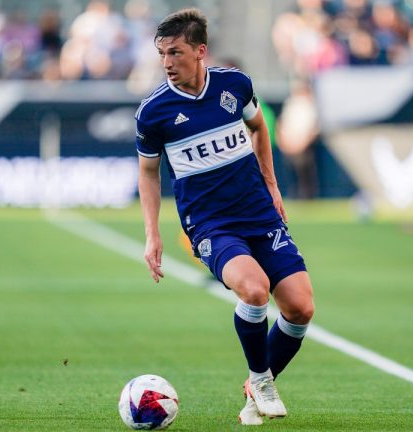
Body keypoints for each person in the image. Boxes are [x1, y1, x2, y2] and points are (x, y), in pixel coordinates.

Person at [135, 8, 315, 425]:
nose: (167, 63)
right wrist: (152, 234)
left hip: (258, 212)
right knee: (253, 290)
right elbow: (148, 173)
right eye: (162, 54)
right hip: (210, 224)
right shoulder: (154, 111)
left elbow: (259, 128)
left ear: (200, 51)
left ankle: (255, 389)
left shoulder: (235, 84)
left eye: (175, 52)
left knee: (300, 307)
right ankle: (262, 380)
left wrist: (271, 184)